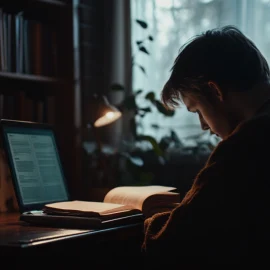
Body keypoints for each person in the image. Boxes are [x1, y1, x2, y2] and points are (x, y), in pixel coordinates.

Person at [141, 25, 270, 266]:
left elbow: (170, 242)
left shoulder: (244, 146)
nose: (203, 126)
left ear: (215, 91)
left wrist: (150, 220)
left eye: (198, 110)